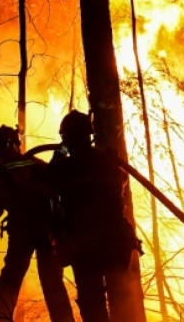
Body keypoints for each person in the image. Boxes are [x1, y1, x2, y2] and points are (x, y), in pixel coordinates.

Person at [47, 110, 139, 322]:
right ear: (88, 135)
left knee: (93, 304)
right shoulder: (107, 160)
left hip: (85, 245)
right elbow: (121, 181)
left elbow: (49, 180)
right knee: (122, 298)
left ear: (67, 138)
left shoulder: (64, 168)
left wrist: (60, 152)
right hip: (115, 240)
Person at [0, 125, 75, 322]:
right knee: (53, 283)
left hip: (21, 234)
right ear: (16, 144)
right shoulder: (38, 165)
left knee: (10, 278)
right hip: (48, 232)